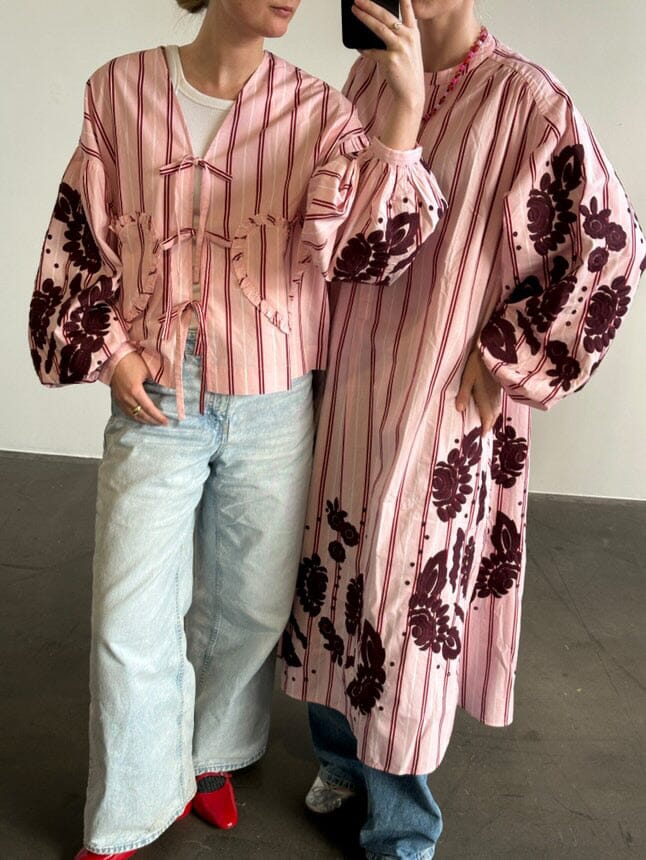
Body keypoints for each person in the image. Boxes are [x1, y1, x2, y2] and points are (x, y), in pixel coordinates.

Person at [28, 1, 444, 857]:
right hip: (159, 393)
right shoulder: (120, 89)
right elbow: (78, 232)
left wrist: (402, 116)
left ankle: (209, 753)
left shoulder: (318, 109)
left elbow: (364, 254)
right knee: (129, 612)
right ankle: (127, 812)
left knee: (249, 603)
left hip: (274, 392)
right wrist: (110, 353)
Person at [281, 1, 645, 858]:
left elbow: (612, 246)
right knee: (333, 568)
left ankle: (402, 825)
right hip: (350, 375)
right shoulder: (369, 76)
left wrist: (513, 355)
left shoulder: (529, 103)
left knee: (405, 592)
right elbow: (339, 229)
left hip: (441, 393)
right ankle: (340, 760)